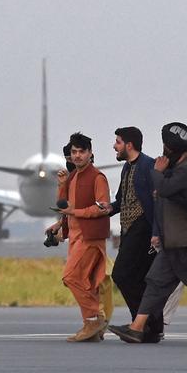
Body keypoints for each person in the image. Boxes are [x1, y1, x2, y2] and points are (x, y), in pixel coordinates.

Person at [109, 122, 187, 344]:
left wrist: (156, 173)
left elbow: (164, 189)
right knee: (155, 283)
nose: (163, 151)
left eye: (166, 147)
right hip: (173, 240)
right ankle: (137, 327)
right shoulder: (176, 168)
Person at [99, 127, 165, 342]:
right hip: (128, 230)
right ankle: (150, 328)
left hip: (143, 229)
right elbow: (124, 199)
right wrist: (110, 208)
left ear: (129, 145)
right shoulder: (127, 168)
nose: (114, 146)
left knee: (122, 274)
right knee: (140, 279)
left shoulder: (148, 166)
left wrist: (157, 232)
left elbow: (157, 202)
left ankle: (142, 324)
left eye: (118, 142)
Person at [46, 143, 114, 341]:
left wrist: (73, 213)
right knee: (87, 282)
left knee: (71, 277)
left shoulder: (98, 178)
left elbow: (103, 207)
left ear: (90, 153)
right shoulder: (73, 176)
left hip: (89, 237)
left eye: (81, 152)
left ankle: (94, 320)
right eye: (73, 153)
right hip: (76, 237)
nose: (76, 156)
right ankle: (93, 325)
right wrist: (60, 225)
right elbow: (64, 207)